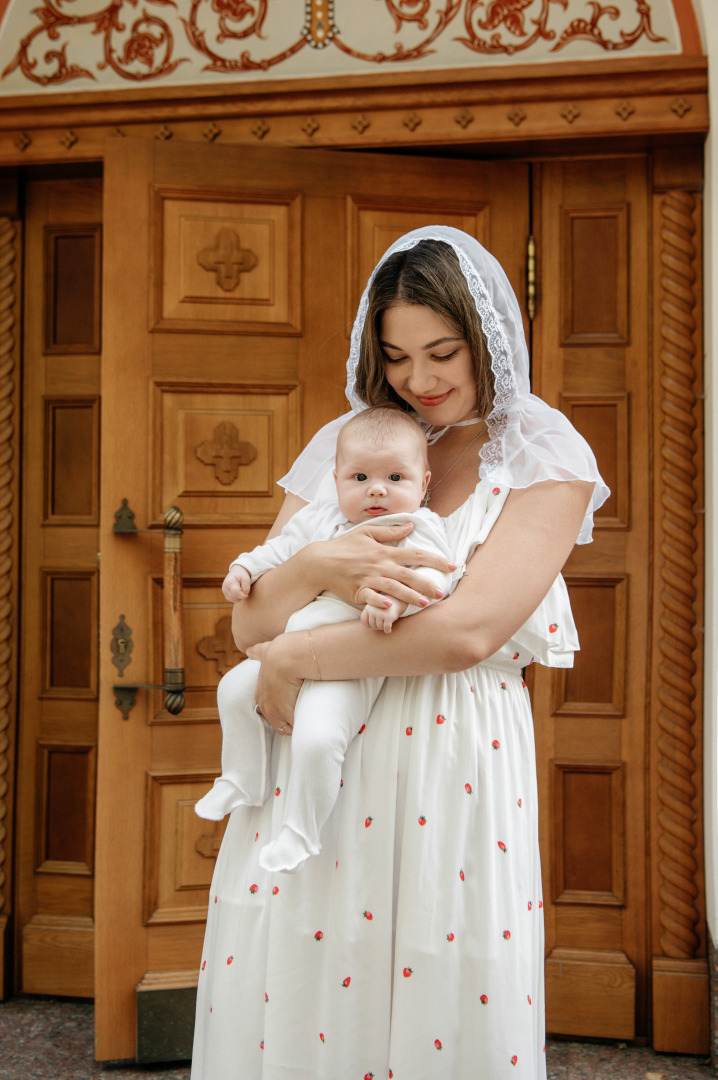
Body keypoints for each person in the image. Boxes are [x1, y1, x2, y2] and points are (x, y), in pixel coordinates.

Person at [190, 226, 609, 1080]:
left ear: (485, 337)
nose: (418, 380)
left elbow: (468, 632)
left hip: (453, 753)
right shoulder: (356, 443)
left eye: (442, 352)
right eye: (395, 356)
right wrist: (316, 563)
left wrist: (297, 659)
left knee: (437, 965)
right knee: (308, 965)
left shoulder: (542, 453)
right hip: (319, 761)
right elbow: (249, 625)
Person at [195, 406, 461, 878]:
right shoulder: (318, 521)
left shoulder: (416, 528)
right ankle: (242, 778)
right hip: (290, 647)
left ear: (422, 485)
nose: (376, 489)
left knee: (318, 738)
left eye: (395, 476)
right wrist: (243, 570)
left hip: (352, 657)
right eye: (359, 477)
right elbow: (275, 552)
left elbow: (433, 577)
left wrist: (396, 605)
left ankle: (301, 830)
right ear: (336, 480)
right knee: (232, 691)